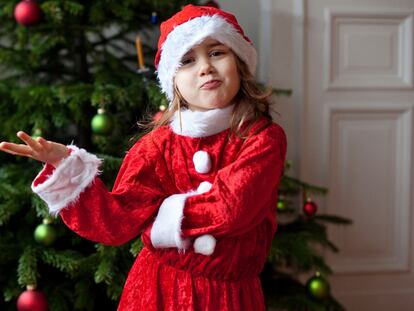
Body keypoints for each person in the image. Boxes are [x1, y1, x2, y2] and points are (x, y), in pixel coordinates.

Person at [0, 4, 287, 311]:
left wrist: (164, 220)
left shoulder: (262, 138)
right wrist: (66, 165)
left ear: (240, 63)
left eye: (217, 52)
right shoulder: (158, 146)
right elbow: (115, 221)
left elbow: (233, 207)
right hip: (158, 291)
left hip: (230, 297)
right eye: (188, 60)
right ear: (173, 82)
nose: (205, 67)